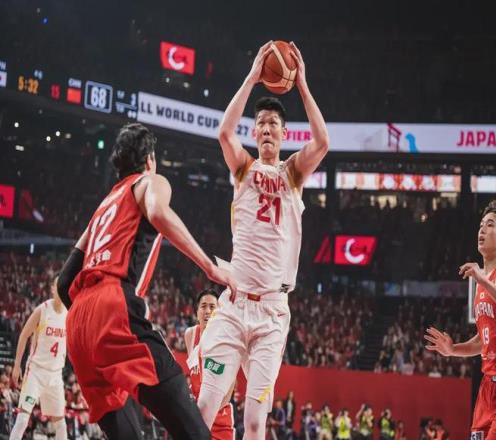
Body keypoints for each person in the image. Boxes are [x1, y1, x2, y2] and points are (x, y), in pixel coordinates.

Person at [56, 122, 235, 439]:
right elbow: (158, 212)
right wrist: (210, 267)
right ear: (150, 159)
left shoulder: (102, 208)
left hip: (79, 326)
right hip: (111, 304)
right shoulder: (149, 181)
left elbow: (63, 282)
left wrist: (91, 323)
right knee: (185, 415)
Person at [197, 40, 329, 440]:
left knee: (255, 422)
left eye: (274, 124)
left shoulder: (293, 173)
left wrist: (302, 85)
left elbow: (322, 143)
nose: (268, 128)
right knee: (203, 409)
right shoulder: (243, 168)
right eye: (262, 124)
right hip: (234, 305)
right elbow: (224, 132)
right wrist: (253, 77)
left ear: (284, 133)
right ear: (254, 132)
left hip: (271, 314)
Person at [425, 200, 496, 439]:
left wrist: (482, 279)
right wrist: (452, 350)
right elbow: (482, 340)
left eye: (490, 224)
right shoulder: (482, 282)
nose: (482, 229)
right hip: (488, 387)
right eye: (481, 225)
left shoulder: (489, 278)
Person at [9, 276, 68, 440]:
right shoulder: (43, 310)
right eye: (58, 286)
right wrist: (17, 365)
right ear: (52, 289)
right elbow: (24, 335)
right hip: (36, 371)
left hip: (55, 374)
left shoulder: (69, 313)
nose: (61, 289)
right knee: (22, 420)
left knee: (61, 425)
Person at [184, 289, 235, 440]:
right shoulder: (190, 335)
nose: (207, 311)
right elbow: (194, 374)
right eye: (203, 306)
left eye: (212, 307)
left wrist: (206, 411)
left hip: (219, 416)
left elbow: (228, 391)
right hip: (195, 415)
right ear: (197, 312)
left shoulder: (227, 341)